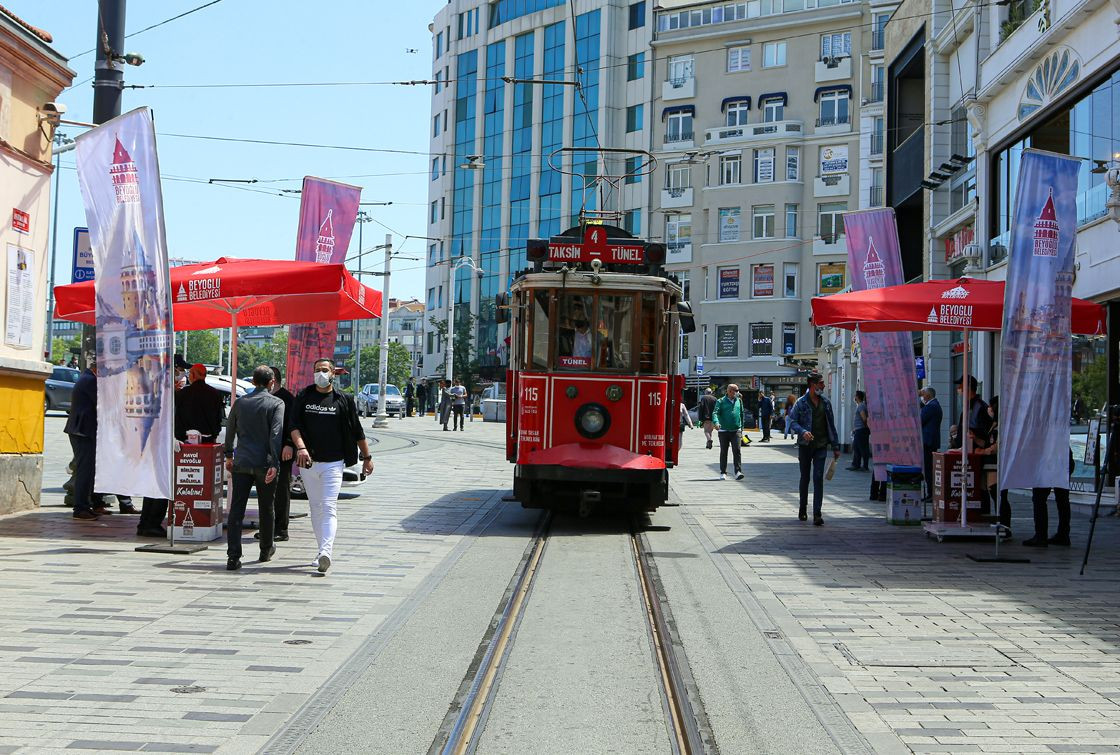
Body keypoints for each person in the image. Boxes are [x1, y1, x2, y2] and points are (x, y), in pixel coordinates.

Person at [291, 358, 374, 574]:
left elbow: (357, 430)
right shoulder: (304, 396)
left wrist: (367, 457)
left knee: (329, 506)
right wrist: (301, 448)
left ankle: (326, 551)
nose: (320, 373)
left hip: (334, 463)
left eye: (324, 370)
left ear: (333, 374)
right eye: (317, 370)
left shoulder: (343, 400)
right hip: (308, 463)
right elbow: (293, 426)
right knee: (315, 508)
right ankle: (321, 552)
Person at [223, 366, 285, 571]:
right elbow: (275, 435)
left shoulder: (240, 403)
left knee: (236, 511)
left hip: (242, 461)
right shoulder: (276, 403)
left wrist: (229, 455)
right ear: (271, 383)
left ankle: (233, 556)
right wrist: (275, 463)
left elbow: (230, 428)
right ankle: (265, 549)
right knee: (267, 508)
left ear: (252, 382)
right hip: (264, 463)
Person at [789, 373, 841, 525]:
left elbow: (831, 425)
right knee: (805, 478)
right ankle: (802, 508)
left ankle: (817, 513)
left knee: (818, 478)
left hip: (821, 446)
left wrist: (836, 446)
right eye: (821, 383)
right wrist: (803, 431)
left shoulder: (826, 403)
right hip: (805, 447)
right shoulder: (801, 403)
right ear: (812, 385)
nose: (823, 386)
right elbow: (792, 421)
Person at [64, 364, 101, 520]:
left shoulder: (87, 377)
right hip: (82, 432)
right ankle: (80, 508)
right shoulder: (90, 381)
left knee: (88, 470)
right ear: (97, 369)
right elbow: (101, 403)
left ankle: (86, 504)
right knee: (84, 471)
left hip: (82, 431)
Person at [265, 366, 296, 542]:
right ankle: (268, 527)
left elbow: (292, 424)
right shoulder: (267, 398)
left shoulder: (287, 399)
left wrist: (289, 444)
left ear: (272, 380)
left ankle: (281, 528)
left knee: (281, 489)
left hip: (283, 450)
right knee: (267, 490)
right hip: (267, 451)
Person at [1024, 449, 1075, 547]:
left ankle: (1041, 536)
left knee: (1039, 498)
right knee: (1062, 499)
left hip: (1048, 458)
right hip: (1063, 455)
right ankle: (1063, 535)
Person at [976, 395, 1011, 537]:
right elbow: (988, 443)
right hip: (988, 464)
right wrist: (976, 440)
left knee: (998, 495)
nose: (989, 409)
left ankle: (1005, 525)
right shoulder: (993, 424)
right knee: (989, 493)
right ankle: (991, 521)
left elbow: (996, 446)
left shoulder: (1002, 425)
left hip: (996, 465)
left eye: (991, 406)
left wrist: (983, 451)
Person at [175, 363, 225, 443]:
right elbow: (218, 418)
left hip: (186, 441)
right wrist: (214, 434)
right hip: (208, 440)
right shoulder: (215, 394)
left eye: (190, 373)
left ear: (193, 375)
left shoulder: (183, 393)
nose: (189, 376)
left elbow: (178, 417)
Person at [712, 384, 745, 481]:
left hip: (736, 430)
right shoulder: (721, 401)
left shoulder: (739, 401)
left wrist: (741, 428)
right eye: (736, 390)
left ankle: (738, 472)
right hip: (723, 431)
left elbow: (741, 414)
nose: (738, 392)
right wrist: (716, 423)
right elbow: (715, 413)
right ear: (730, 391)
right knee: (724, 452)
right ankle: (723, 472)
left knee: (737, 451)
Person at [919, 386, 943, 502]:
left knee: (929, 469)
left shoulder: (931, 407)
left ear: (928, 395)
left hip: (928, 441)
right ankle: (930, 493)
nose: (921, 396)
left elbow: (920, 419)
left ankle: (931, 493)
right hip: (930, 441)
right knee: (928, 468)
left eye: (923, 394)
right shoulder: (934, 405)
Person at [848, 390, 871, 472]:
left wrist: (864, 426)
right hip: (859, 430)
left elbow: (864, 418)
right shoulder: (861, 405)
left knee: (862, 448)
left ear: (857, 397)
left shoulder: (861, 406)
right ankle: (856, 465)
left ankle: (864, 466)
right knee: (856, 447)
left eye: (855, 395)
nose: (854, 397)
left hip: (861, 431)